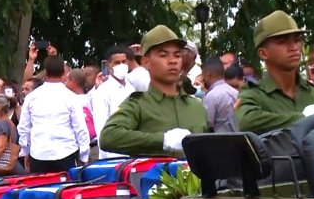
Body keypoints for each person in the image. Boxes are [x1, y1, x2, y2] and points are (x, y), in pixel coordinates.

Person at [100, 25, 208, 156]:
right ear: (146, 62)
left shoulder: (197, 107)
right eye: (163, 55)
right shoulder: (137, 105)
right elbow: (108, 137)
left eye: (177, 55)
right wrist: (162, 140)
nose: (173, 61)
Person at [236, 10, 314, 134]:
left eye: (297, 40)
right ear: (263, 53)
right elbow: (246, 121)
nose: (294, 48)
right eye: (282, 42)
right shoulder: (253, 96)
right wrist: (306, 119)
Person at [19, 56, 90, 173]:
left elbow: (24, 128)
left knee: (40, 190)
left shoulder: (31, 97)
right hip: (66, 153)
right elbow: (80, 128)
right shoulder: (71, 97)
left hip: (38, 154)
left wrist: (26, 152)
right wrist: (84, 156)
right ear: (63, 73)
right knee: (65, 190)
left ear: (45, 72)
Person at [91, 46, 135, 158]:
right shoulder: (103, 91)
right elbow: (101, 126)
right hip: (113, 154)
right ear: (108, 65)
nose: (121, 65)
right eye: (117, 62)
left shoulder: (131, 88)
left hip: (133, 150)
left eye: (124, 62)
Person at [201, 58, 239, 132]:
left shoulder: (211, 96)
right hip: (239, 139)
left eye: (203, 75)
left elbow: (206, 124)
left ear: (208, 75)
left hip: (220, 140)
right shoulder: (235, 92)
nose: (203, 79)